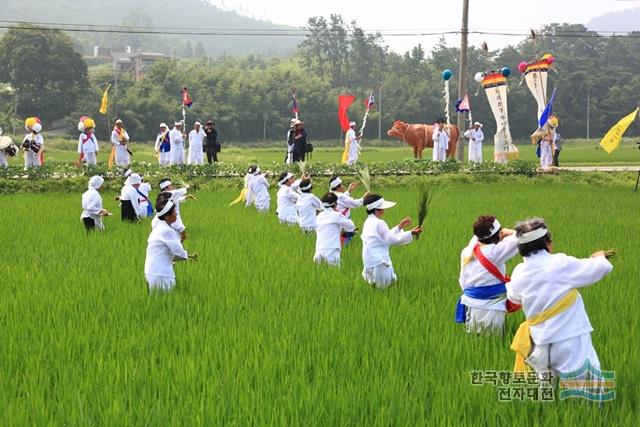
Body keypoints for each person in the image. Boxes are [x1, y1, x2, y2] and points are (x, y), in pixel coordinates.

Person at [506, 217, 613, 376]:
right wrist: (600, 257)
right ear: (548, 243)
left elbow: (514, 297)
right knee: (585, 386)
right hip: (570, 338)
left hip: (540, 341)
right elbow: (601, 268)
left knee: (547, 387)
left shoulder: (519, 272)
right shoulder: (560, 263)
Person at [456, 215, 520, 335]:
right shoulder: (494, 252)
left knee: (474, 341)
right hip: (492, 306)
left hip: (470, 302)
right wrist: (509, 232)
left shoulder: (468, 251)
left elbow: (476, 238)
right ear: (497, 235)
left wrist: (498, 233)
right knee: (491, 340)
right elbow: (521, 237)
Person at [361, 193, 422, 289]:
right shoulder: (379, 223)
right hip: (379, 262)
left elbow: (385, 236)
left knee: (375, 287)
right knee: (386, 288)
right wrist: (411, 233)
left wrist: (399, 226)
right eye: (382, 208)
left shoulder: (369, 221)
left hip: (369, 260)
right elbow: (392, 240)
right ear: (377, 209)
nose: (384, 210)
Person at [144, 195, 196, 292]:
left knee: (156, 302)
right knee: (166, 301)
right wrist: (186, 256)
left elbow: (161, 251)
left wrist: (176, 258)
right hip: (162, 273)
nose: (176, 214)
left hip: (151, 271)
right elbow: (179, 252)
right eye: (174, 212)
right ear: (167, 216)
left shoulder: (158, 228)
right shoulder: (167, 231)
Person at [314, 192, 356, 266]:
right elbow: (351, 226)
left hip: (319, 249)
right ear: (335, 204)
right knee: (333, 273)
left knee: (320, 273)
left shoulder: (319, 216)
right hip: (332, 249)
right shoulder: (337, 215)